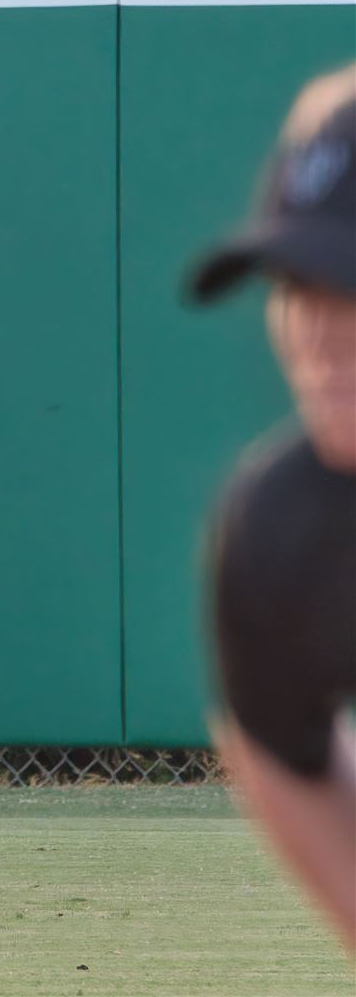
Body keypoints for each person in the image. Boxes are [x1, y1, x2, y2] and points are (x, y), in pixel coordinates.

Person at [187, 62, 356, 955]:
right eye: (296, 284)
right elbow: (275, 738)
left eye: (349, 283)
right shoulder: (282, 538)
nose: (316, 329)